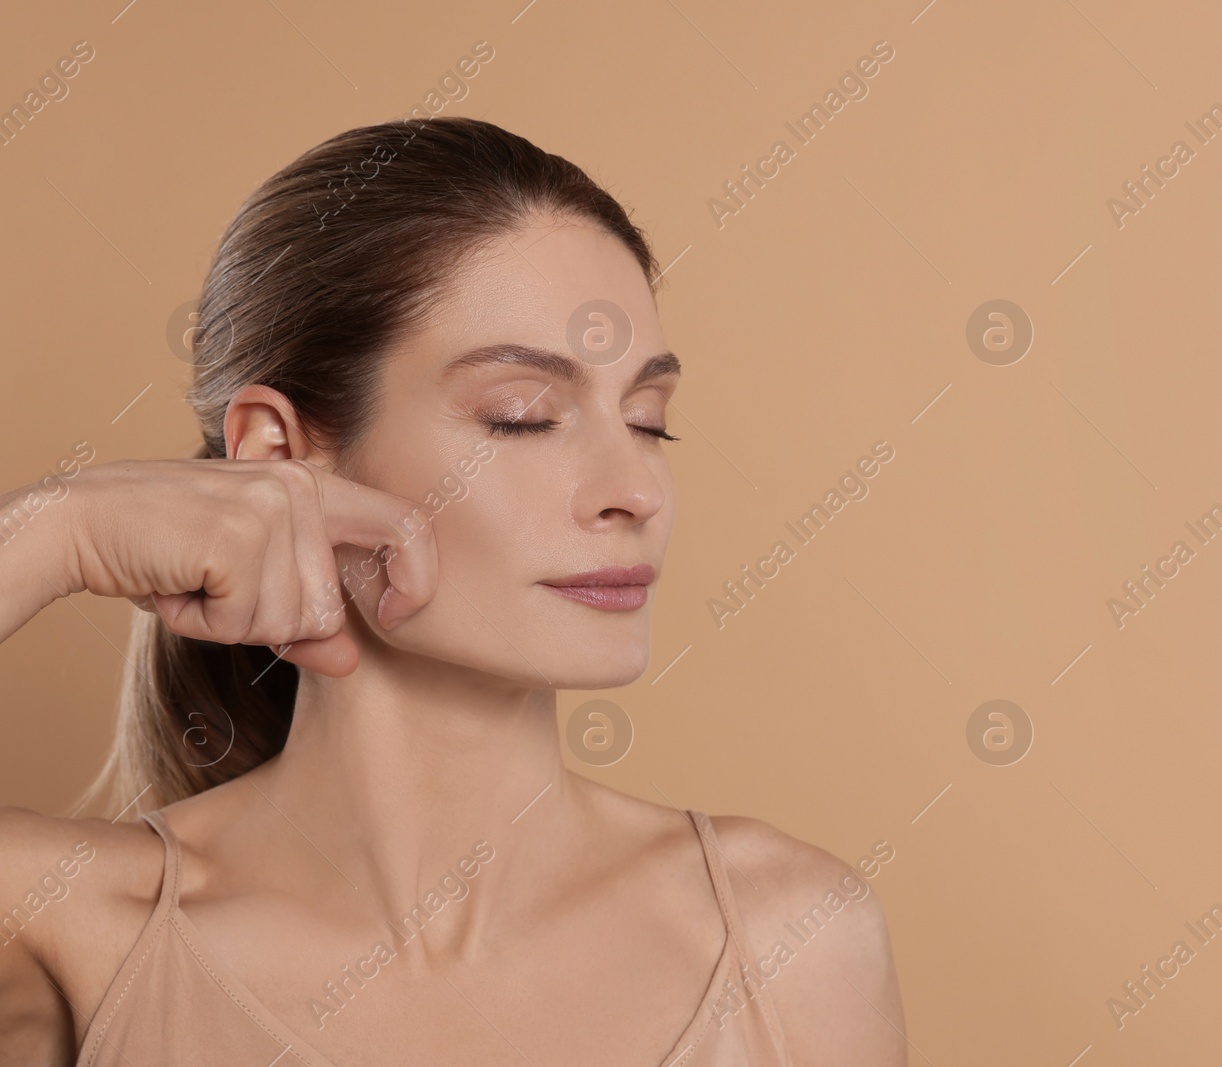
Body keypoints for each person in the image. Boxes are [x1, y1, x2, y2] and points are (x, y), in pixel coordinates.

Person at [0, 116, 905, 1065]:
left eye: (649, 421)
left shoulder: (792, 942)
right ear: (276, 451)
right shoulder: (70, 928)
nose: (635, 492)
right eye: (524, 418)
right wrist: (64, 529)